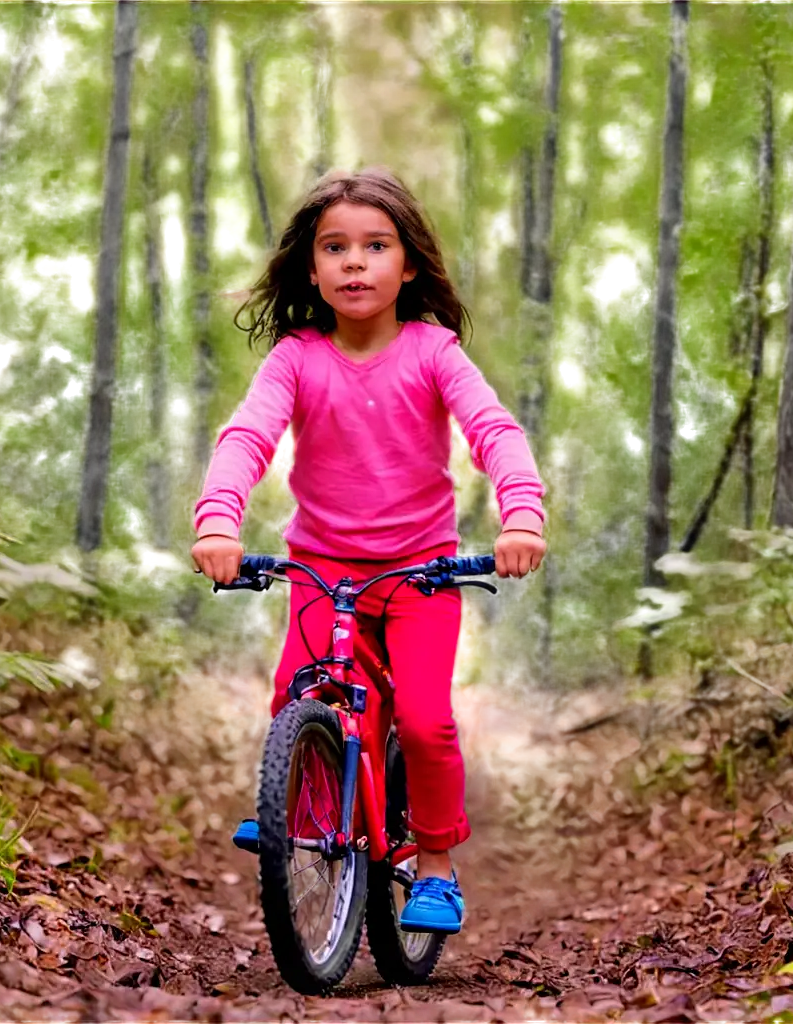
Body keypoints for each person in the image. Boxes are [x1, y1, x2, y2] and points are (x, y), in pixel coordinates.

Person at [191, 166, 546, 935]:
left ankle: (438, 870)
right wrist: (219, 522)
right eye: (335, 247)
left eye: (375, 245)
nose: (355, 262)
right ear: (311, 269)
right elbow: (249, 438)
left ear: (408, 263)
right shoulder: (296, 358)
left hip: (422, 571)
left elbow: (494, 431)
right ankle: (308, 817)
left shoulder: (433, 352)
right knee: (300, 689)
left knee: (423, 720)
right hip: (323, 569)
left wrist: (521, 515)